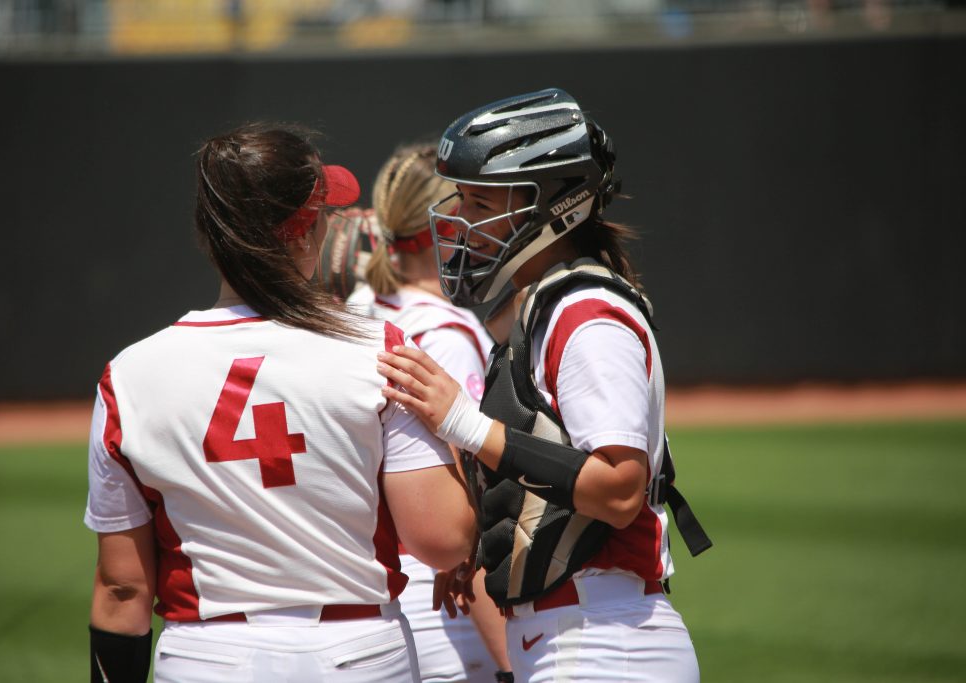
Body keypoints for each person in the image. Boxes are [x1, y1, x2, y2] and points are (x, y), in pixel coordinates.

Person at [85, 122, 476, 683]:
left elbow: (123, 589)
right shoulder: (382, 351)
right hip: (357, 653)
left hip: (207, 659)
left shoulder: (128, 376)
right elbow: (441, 540)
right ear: (303, 234)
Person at [376, 88, 711, 682]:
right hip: (575, 634)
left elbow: (620, 489)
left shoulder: (587, 317)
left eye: (481, 202)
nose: (462, 219)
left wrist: (461, 422)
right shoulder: (543, 307)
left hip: (602, 639)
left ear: (554, 206)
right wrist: (484, 542)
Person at [358, 143, 514, 683]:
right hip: (446, 608)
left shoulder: (356, 310)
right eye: (468, 204)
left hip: (381, 586)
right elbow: (474, 521)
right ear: (445, 224)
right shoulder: (445, 334)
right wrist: (512, 666)